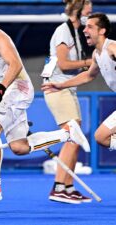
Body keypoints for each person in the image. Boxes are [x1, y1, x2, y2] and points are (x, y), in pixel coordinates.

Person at [0, 6, 91, 203]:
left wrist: (2, 87)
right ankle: (67, 134)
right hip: (8, 92)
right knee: (19, 147)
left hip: (18, 88)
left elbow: (15, 64)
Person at [42, 13, 116, 163]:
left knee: (101, 136)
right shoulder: (97, 54)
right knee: (101, 137)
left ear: (102, 31)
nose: (84, 30)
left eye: (90, 26)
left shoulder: (112, 47)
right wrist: (60, 85)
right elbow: (88, 76)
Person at [42, 0, 93, 204]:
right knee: (72, 136)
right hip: (58, 89)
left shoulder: (74, 34)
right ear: (78, 11)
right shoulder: (63, 30)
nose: (90, 16)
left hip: (68, 89)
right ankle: (58, 187)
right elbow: (63, 64)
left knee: (75, 138)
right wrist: (90, 62)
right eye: (88, 12)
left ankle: (69, 187)